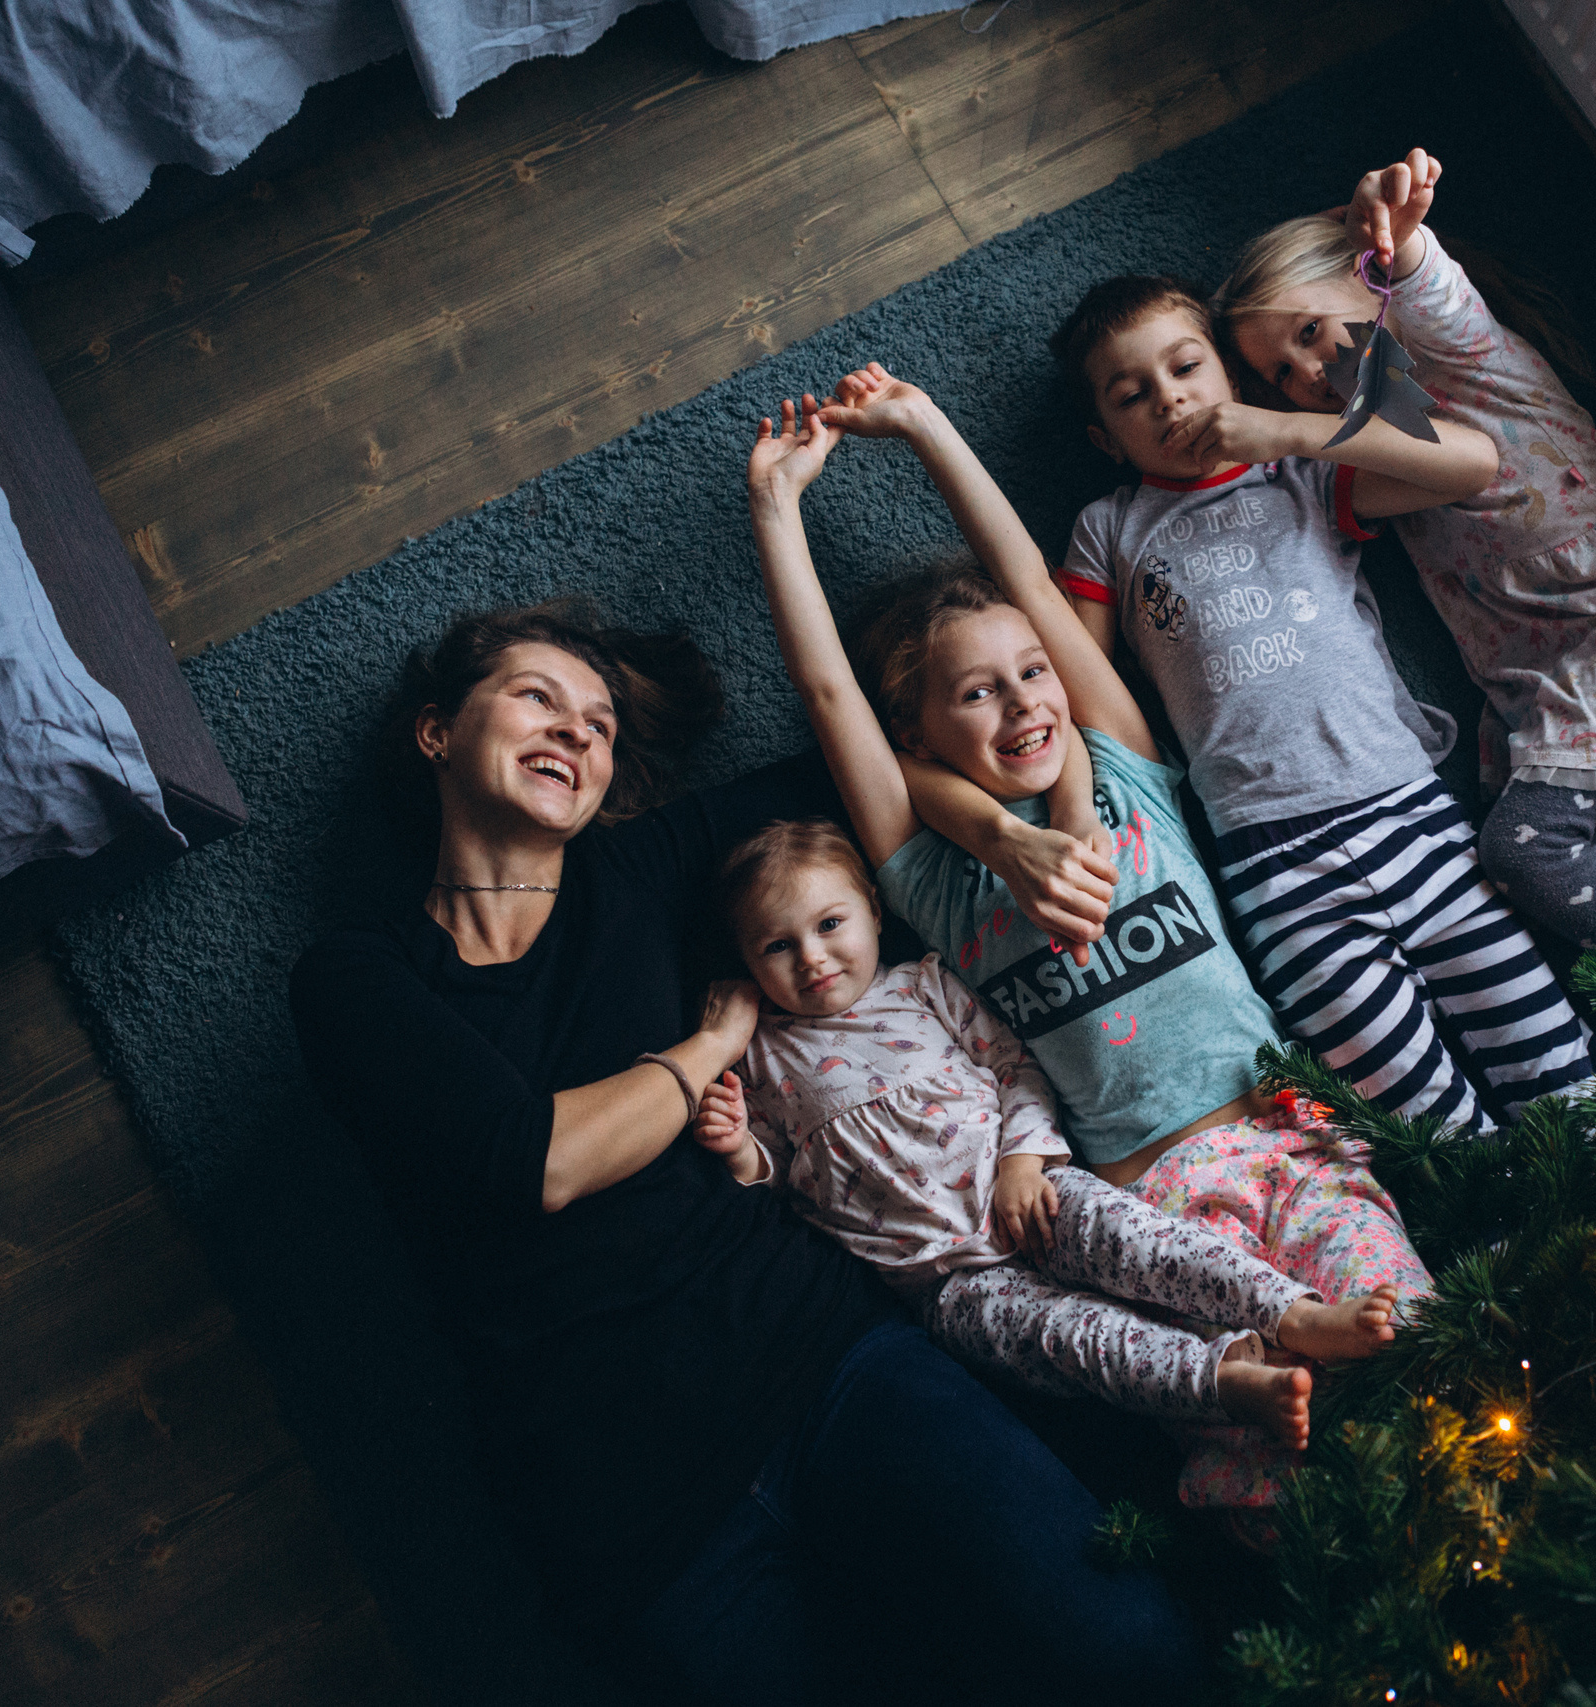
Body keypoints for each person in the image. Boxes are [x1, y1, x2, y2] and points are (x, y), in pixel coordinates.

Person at [287, 599, 1198, 1706]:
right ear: (436, 732)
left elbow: (875, 758)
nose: (579, 731)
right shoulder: (355, 978)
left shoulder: (640, 869)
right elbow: (533, 1162)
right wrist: (709, 1043)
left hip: (824, 1363)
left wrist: (1016, 833)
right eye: (538, 698)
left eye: (600, 723)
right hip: (625, 1507)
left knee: (1132, 1645)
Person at [747, 371, 1434, 1514]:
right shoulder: (934, 880)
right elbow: (829, 697)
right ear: (917, 730)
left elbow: (1027, 581)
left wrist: (926, 423)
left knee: (1417, 1348)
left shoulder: (1122, 775)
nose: (1024, 704)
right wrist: (776, 508)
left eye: (1032, 675)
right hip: (1145, 1210)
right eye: (977, 694)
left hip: (1288, 1142)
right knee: (1260, 1488)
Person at [1045, 271, 1596, 1134]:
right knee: (1425, 1128)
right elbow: (1076, 681)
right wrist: (1071, 807)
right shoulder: (1110, 528)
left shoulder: (1298, 477)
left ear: (1230, 377)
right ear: (1105, 439)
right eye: (1132, 395)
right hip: (1275, 870)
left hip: (1414, 818)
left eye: (1187, 367)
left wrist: (1287, 430)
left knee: (1560, 1072)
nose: (1168, 399)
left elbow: (1470, 463)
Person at [1218, 149, 1596, 989]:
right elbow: (1339, 484)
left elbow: (1425, 296)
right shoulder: (1369, 439)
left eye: (1308, 332)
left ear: (1366, 286)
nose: (1307, 375)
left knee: (1522, 849)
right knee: (1504, 886)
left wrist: (1389, 235)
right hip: (1555, 672)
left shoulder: (1457, 353)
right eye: (1280, 378)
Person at [690, 817, 1403, 1451]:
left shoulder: (923, 986)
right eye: (778, 946)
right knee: (1076, 1343)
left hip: (1028, 1191)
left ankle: (1296, 1313)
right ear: (747, 963)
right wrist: (741, 1151)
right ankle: (1226, 1381)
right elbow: (781, 1172)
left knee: (1152, 1245)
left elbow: (1014, 1068)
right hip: (949, 1280)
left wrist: (1021, 1162)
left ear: (874, 913)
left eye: (830, 924)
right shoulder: (759, 1052)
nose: (812, 958)